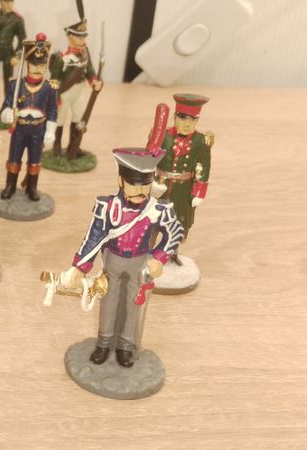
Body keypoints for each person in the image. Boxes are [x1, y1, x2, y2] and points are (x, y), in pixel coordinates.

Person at [60, 147, 184, 367]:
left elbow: (175, 232)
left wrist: (159, 257)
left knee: (133, 304)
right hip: (113, 261)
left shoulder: (158, 209)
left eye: (145, 184)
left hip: (140, 262)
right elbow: (94, 237)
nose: (140, 190)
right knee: (108, 301)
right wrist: (79, 267)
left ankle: (126, 345)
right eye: (134, 184)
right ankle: (104, 342)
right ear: (121, 181)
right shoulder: (107, 207)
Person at [0, 34, 57, 201]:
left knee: (35, 161)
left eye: (42, 65)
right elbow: (6, 105)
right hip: (19, 129)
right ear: (27, 64)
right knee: (14, 159)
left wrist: (50, 131)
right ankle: (10, 185)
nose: (38, 68)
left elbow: (52, 111)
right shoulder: (15, 84)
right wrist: (6, 114)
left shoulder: (49, 88)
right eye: (34, 64)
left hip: (38, 131)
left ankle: (32, 188)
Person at [155, 94, 213, 243]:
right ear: (174, 117)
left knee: (178, 224)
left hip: (183, 191)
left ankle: (172, 251)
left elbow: (204, 166)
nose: (188, 124)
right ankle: (147, 250)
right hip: (160, 187)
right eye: (183, 119)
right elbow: (151, 159)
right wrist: (151, 182)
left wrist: (199, 192)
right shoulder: (163, 136)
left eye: (192, 120)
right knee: (153, 222)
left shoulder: (201, 141)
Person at [48, 19, 102, 155]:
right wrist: (55, 97)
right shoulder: (61, 58)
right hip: (64, 94)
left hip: (79, 92)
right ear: (70, 36)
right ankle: (57, 146)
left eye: (84, 37)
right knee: (60, 119)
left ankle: (73, 146)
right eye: (79, 37)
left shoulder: (85, 53)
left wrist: (94, 81)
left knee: (78, 118)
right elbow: (54, 79)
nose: (83, 40)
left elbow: (90, 71)